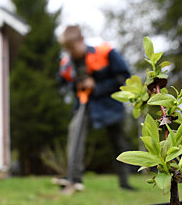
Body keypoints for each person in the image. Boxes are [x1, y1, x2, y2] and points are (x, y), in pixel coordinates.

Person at [57, 25, 135, 194]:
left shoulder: (105, 53)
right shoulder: (67, 64)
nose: (70, 52)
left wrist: (96, 85)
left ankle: (125, 182)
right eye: (67, 49)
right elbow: (63, 84)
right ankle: (74, 178)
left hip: (110, 105)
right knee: (74, 132)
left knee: (118, 142)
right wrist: (75, 85)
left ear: (81, 40)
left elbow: (123, 77)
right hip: (85, 104)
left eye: (72, 47)